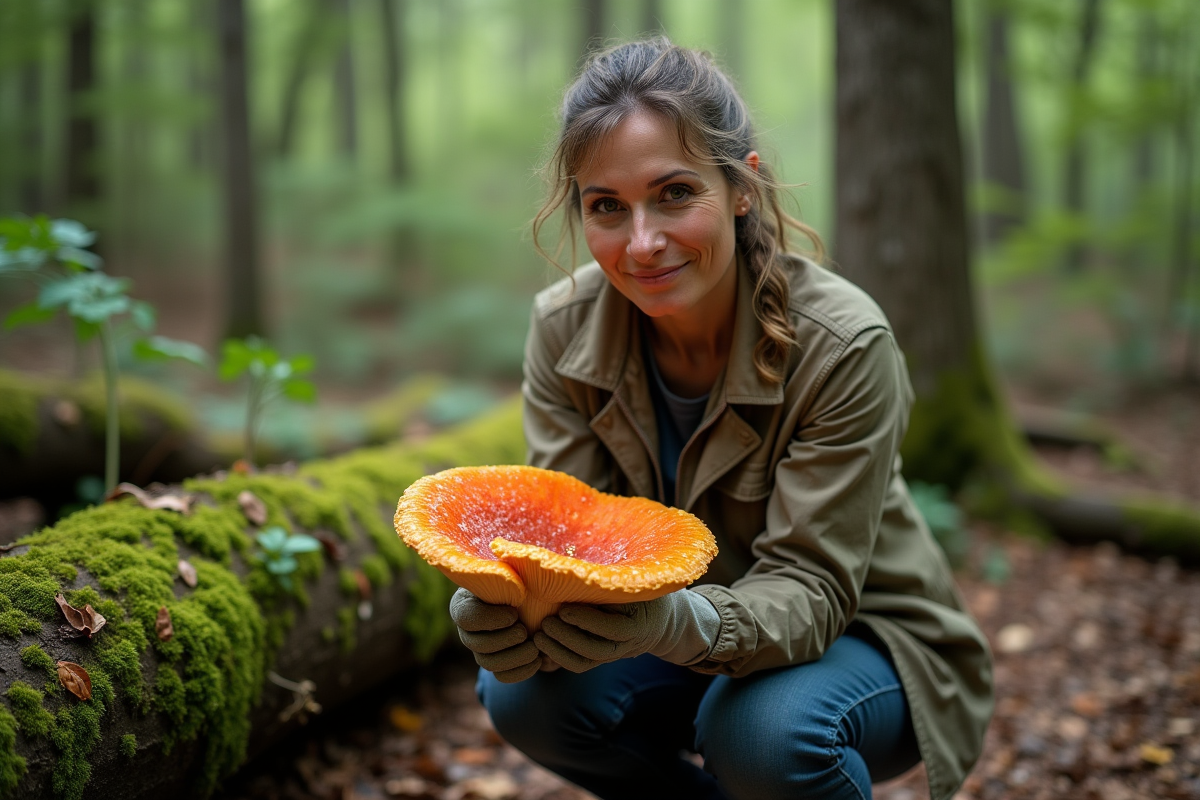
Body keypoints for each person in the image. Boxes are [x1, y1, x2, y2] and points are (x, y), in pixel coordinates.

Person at [449, 38, 993, 800]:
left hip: (866, 635)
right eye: (607, 206)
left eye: (674, 193)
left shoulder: (842, 344)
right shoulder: (561, 329)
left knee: (763, 734)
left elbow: (812, 587)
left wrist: (674, 626)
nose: (643, 243)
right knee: (525, 696)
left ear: (741, 188)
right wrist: (502, 600)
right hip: (666, 628)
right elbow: (569, 542)